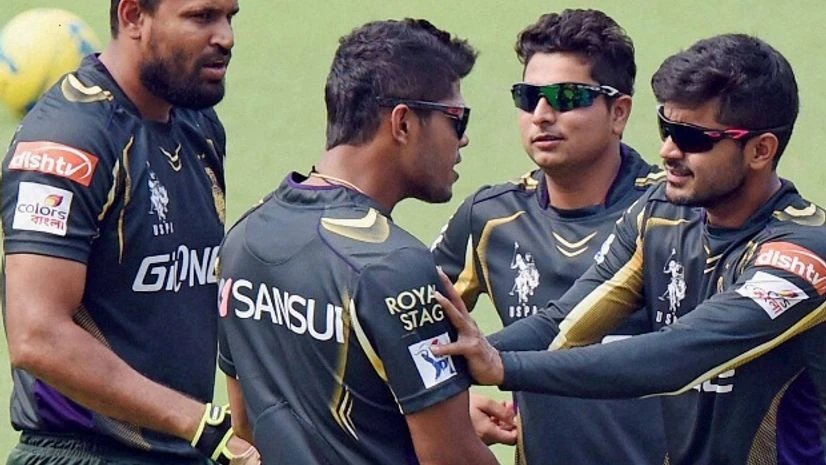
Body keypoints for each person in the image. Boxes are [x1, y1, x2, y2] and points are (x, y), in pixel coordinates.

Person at [433, 33, 826, 464]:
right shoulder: (659, 217)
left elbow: (677, 357)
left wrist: (503, 367)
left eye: (692, 138)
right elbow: (564, 326)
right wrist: (456, 359)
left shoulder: (805, 254)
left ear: (761, 150)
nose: (668, 150)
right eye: (666, 128)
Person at [217, 18, 500, 465]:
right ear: (403, 123)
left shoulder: (244, 236)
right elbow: (452, 458)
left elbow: (247, 426)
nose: (463, 138)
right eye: (456, 118)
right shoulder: (394, 266)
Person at [1, 0, 257, 463]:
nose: (226, 37)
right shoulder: (69, 138)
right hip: (83, 453)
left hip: (184, 449)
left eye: (229, 17)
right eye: (202, 17)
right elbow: (37, 335)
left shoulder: (197, 124)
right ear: (133, 15)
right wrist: (196, 422)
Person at [431, 9, 666, 464]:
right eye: (528, 97)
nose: (541, 115)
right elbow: (405, 330)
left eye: (566, 96)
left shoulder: (672, 215)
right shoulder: (491, 217)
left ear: (619, 113)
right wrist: (450, 407)